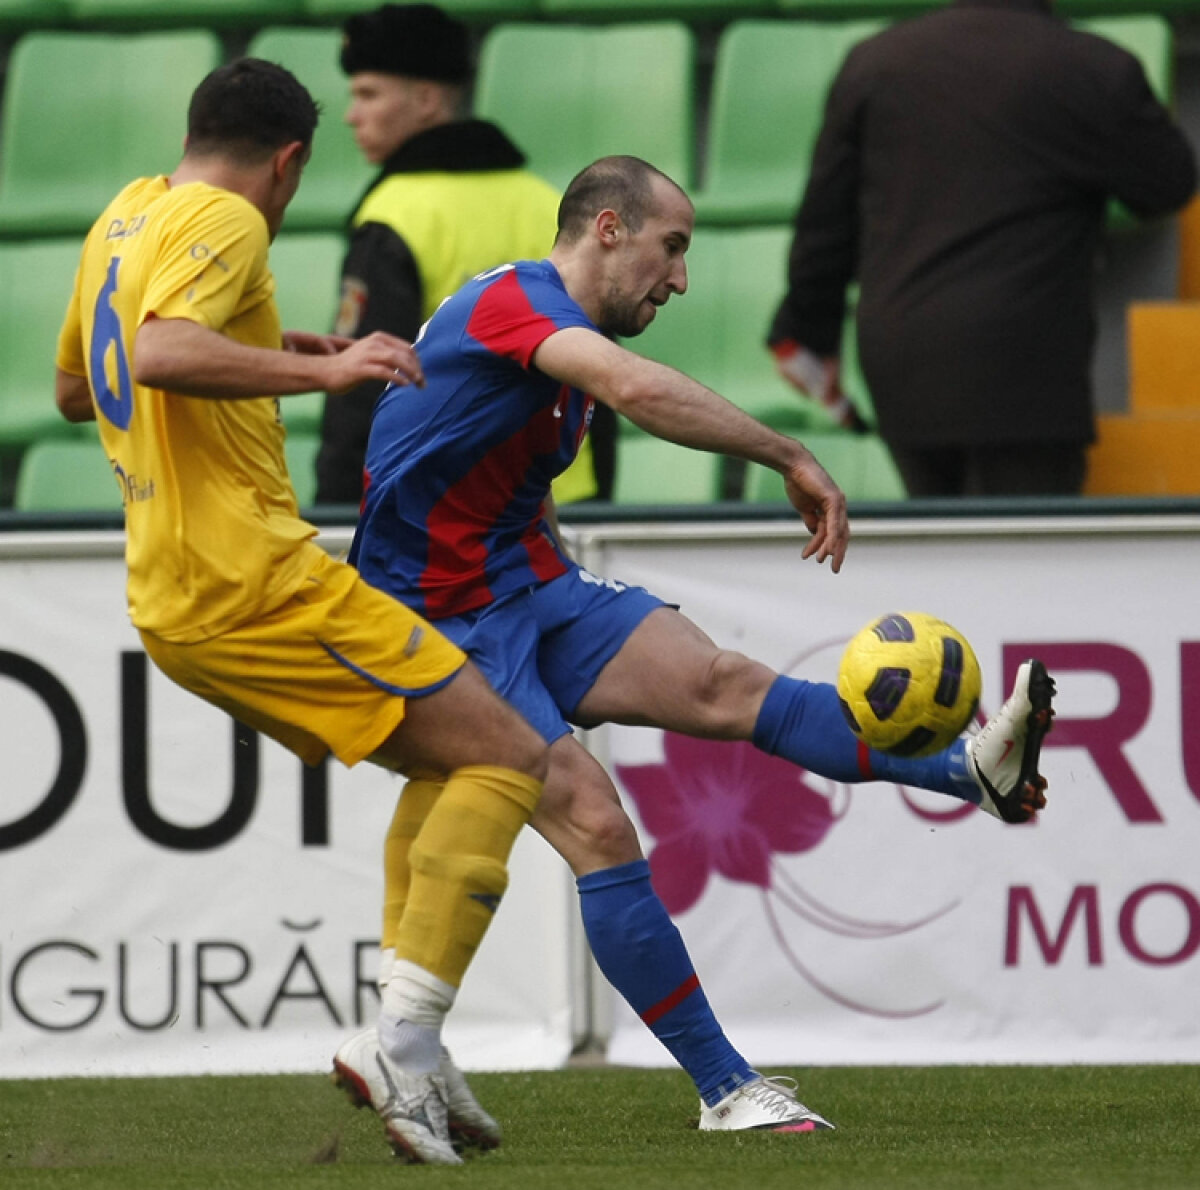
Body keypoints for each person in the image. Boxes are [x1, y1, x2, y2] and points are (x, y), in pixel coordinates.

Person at [346, 155, 1058, 1142]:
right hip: (436, 620)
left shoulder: (559, 335)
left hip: (520, 581)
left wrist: (550, 579)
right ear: (606, 228)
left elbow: (499, 463)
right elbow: (635, 388)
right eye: (670, 247)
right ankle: (724, 1084)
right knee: (595, 816)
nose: (679, 278)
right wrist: (788, 452)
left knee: (722, 680)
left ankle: (965, 767)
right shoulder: (521, 301)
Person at [53, 58, 551, 1168]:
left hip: (174, 593)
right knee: (515, 758)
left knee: (451, 762)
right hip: (257, 582)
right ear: (290, 162)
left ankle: (408, 1045)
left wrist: (279, 354)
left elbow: (81, 387)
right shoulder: (229, 217)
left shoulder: (123, 219)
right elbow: (168, 351)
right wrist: (334, 377)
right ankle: (402, 1041)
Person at [767, 0, 1197, 497]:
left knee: (939, 549)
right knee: (1026, 557)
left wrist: (806, 332)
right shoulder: (1096, 67)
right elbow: (1167, 186)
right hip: (1029, 359)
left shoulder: (875, 61)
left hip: (905, 357)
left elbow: (826, 223)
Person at [313, 2, 616, 506]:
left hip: (446, 515)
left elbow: (367, 381)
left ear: (428, 99)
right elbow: (607, 371)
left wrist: (341, 510)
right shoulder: (552, 204)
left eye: (368, 94)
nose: (351, 115)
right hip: (564, 501)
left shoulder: (394, 214)